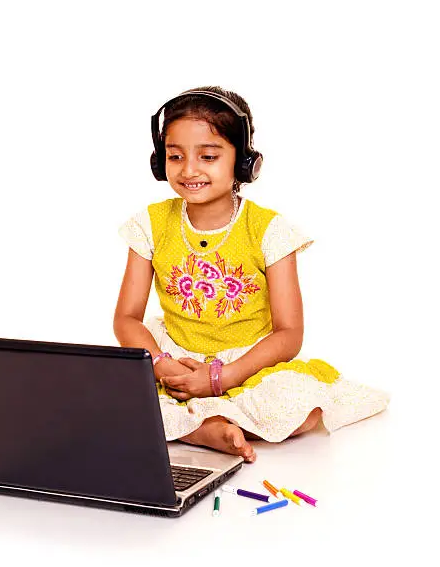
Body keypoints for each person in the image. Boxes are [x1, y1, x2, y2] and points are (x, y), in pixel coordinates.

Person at [114, 86, 390, 464]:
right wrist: (163, 366)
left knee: (303, 408)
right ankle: (206, 430)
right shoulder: (149, 224)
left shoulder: (269, 230)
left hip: (248, 362)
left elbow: (289, 333)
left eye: (208, 156)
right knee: (112, 394)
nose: (189, 169)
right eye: (175, 156)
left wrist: (221, 378)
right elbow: (126, 318)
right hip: (173, 358)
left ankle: (199, 422)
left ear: (245, 162)